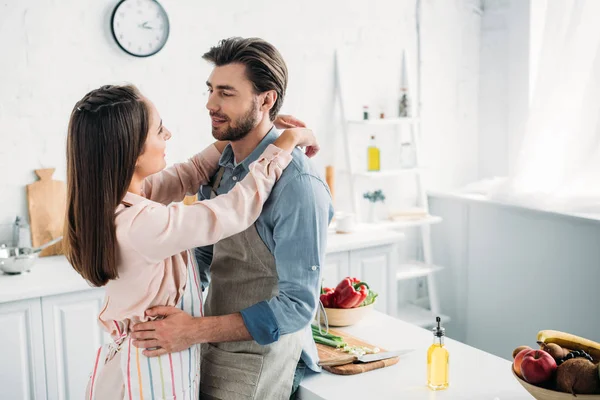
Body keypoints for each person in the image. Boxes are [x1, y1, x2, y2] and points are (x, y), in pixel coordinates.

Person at [63, 83, 319, 399]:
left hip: (141, 366)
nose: (168, 134)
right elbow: (236, 208)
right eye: (159, 131)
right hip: (149, 375)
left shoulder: (114, 201)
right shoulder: (141, 224)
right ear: (130, 150)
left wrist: (250, 127)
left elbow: (191, 172)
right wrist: (286, 143)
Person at [131, 37, 334, 400]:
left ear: (266, 99)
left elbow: (297, 306)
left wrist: (193, 330)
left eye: (226, 93)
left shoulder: (298, 183)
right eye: (210, 90)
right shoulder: (222, 165)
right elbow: (206, 254)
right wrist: (177, 318)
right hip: (207, 349)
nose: (210, 104)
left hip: (258, 364)